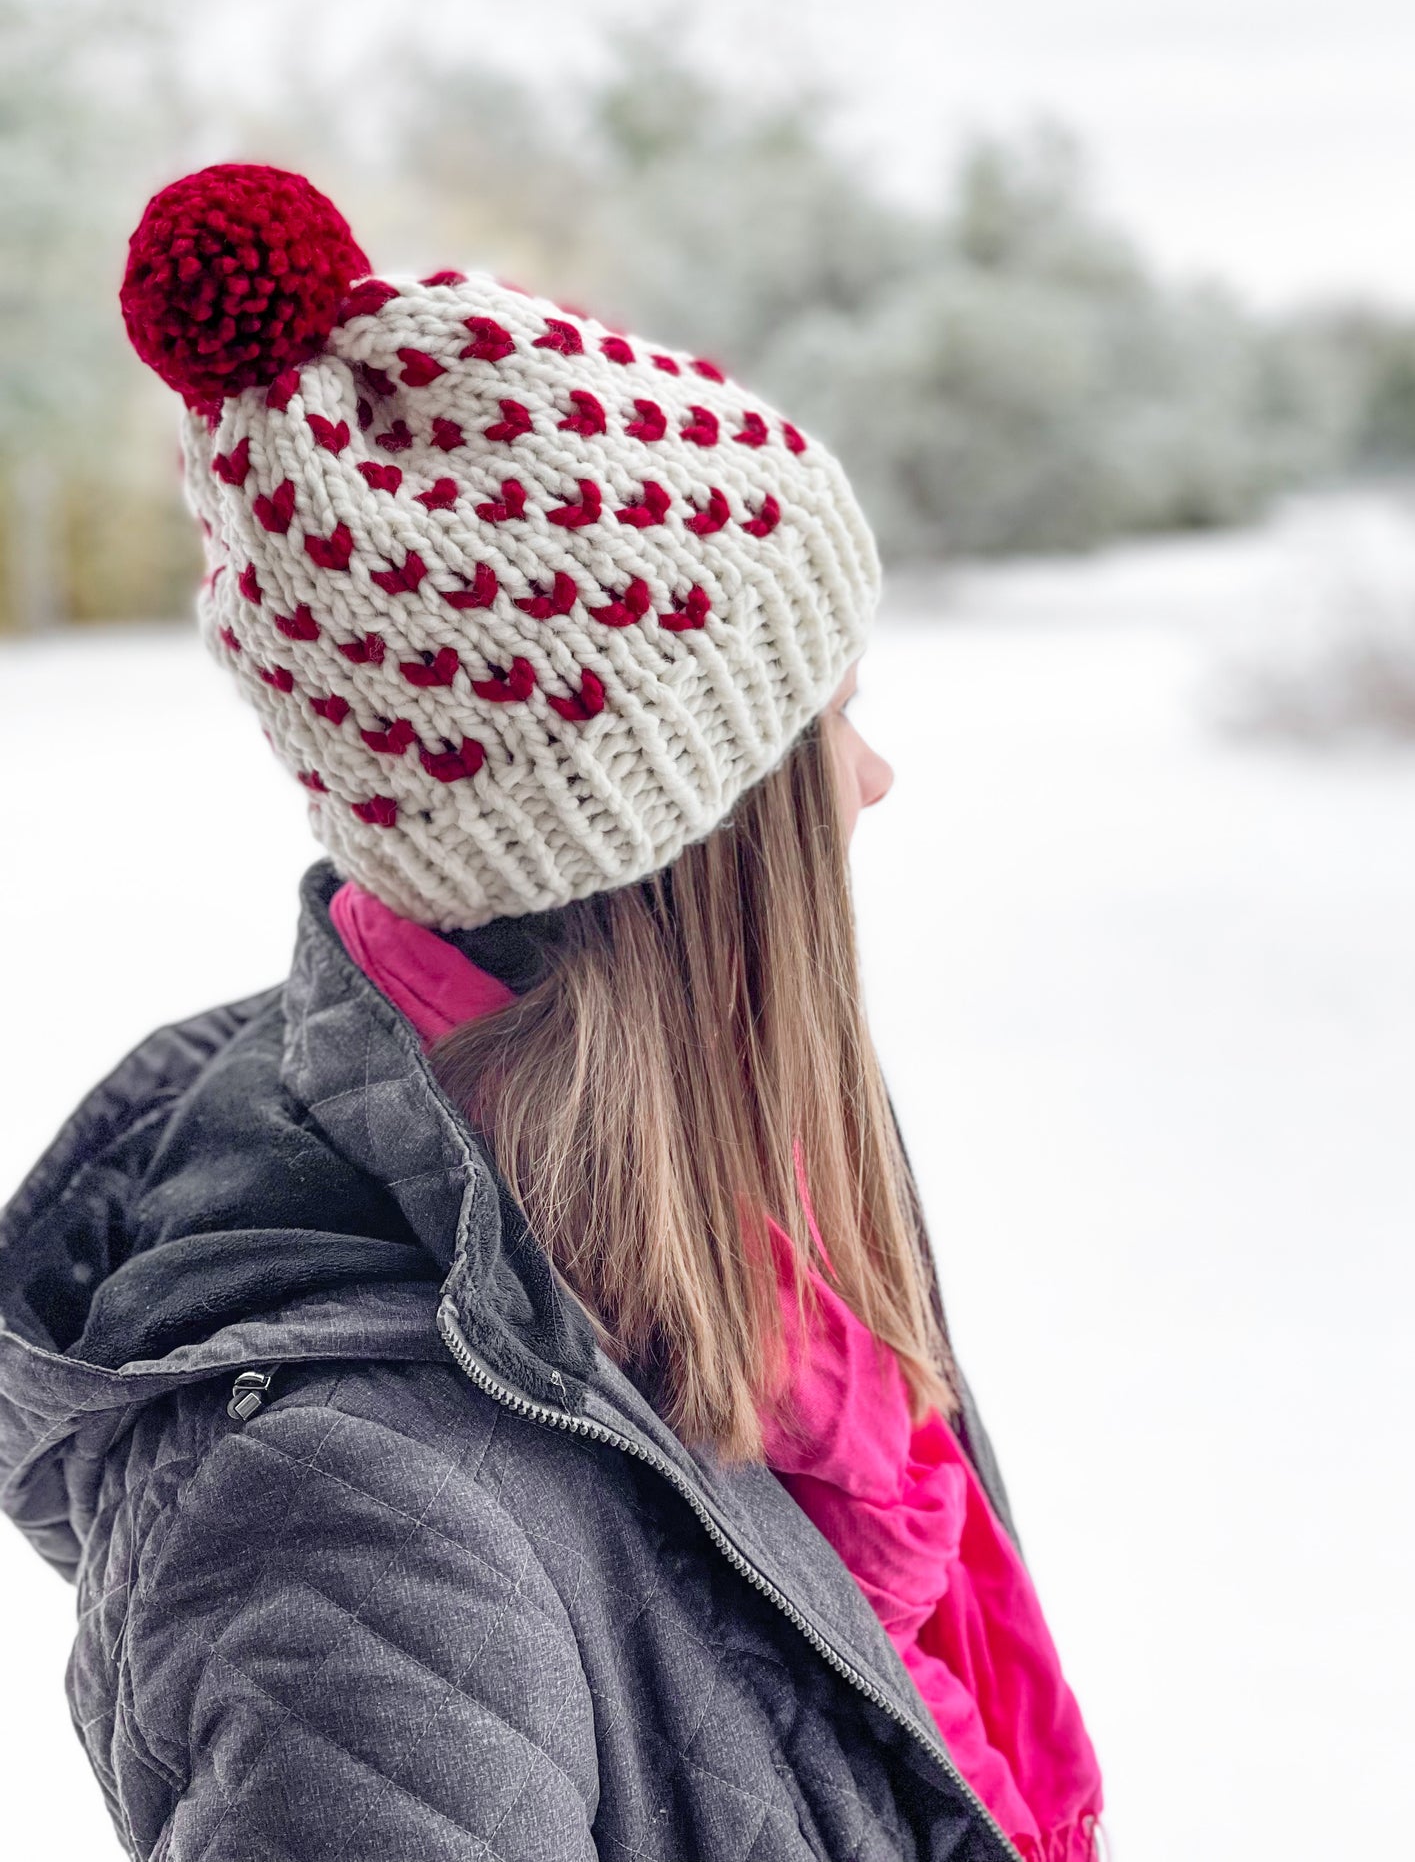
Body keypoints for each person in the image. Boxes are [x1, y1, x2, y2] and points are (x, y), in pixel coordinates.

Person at [0, 164, 1104, 1862]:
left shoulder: (750, 1198)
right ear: (675, 841)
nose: (872, 779)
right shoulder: (354, 1528)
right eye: (829, 715)